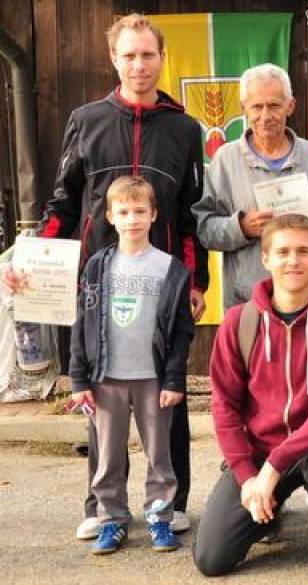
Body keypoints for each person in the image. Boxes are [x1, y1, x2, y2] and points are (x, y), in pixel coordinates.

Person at [0, 14, 208, 539]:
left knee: (167, 393)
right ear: (114, 60)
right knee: (101, 395)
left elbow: (190, 215)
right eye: (129, 55)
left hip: (161, 285)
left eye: (148, 54)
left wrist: (195, 281)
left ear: (162, 58)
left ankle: (172, 503)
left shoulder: (185, 129)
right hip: (97, 285)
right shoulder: (86, 119)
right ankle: (101, 505)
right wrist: (29, 258)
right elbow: (63, 203)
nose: (139, 65)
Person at [193, 214, 308, 574]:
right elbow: (224, 405)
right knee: (212, 559)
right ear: (265, 258)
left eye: (303, 251)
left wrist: (275, 466)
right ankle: (267, 513)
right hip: (260, 451)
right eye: (283, 252)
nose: (293, 261)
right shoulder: (239, 323)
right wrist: (247, 476)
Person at [67, 175, 194, 554]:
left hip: (154, 378)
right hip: (107, 378)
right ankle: (112, 521)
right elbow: (82, 323)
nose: (132, 219)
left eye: (140, 211)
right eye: (123, 212)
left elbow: (181, 330)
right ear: (110, 216)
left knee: (159, 455)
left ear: (153, 214)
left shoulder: (170, 269)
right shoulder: (97, 267)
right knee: (107, 456)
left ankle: (160, 518)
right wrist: (79, 379)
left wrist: (174, 379)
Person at [193, 63, 308, 312]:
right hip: (247, 303)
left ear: (290, 106)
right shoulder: (225, 160)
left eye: (274, 105)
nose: (265, 116)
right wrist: (241, 227)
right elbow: (204, 229)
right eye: (257, 106)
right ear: (243, 108)